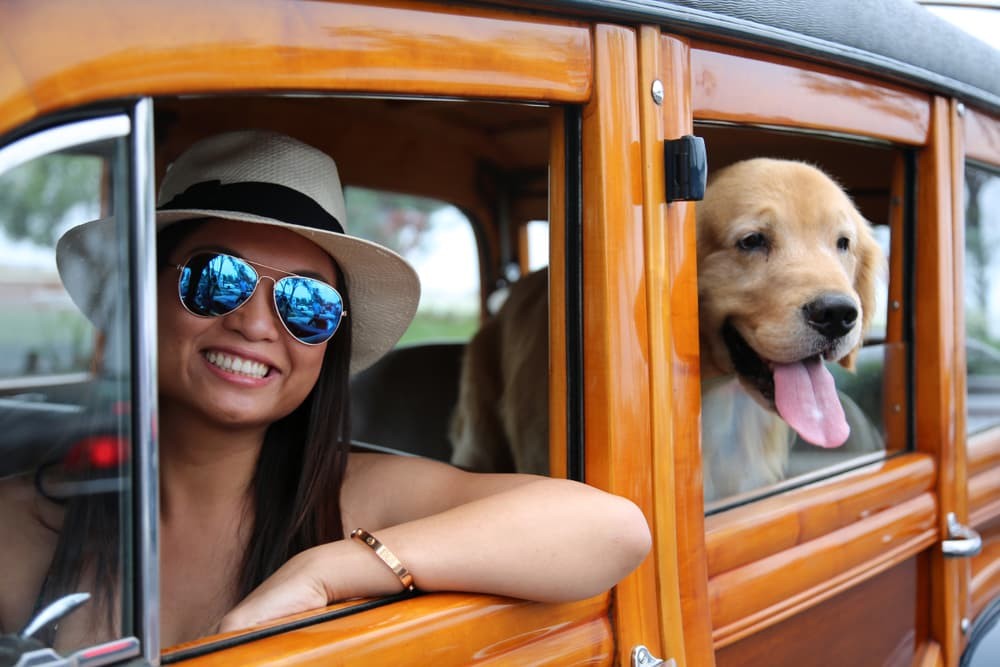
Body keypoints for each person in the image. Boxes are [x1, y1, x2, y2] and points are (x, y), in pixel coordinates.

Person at [0, 130, 651, 651]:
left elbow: (612, 529)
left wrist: (325, 572)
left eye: (305, 302)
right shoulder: (28, 524)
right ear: (141, 296)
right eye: (217, 277)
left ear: (328, 341)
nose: (255, 322)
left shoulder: (355, 499)